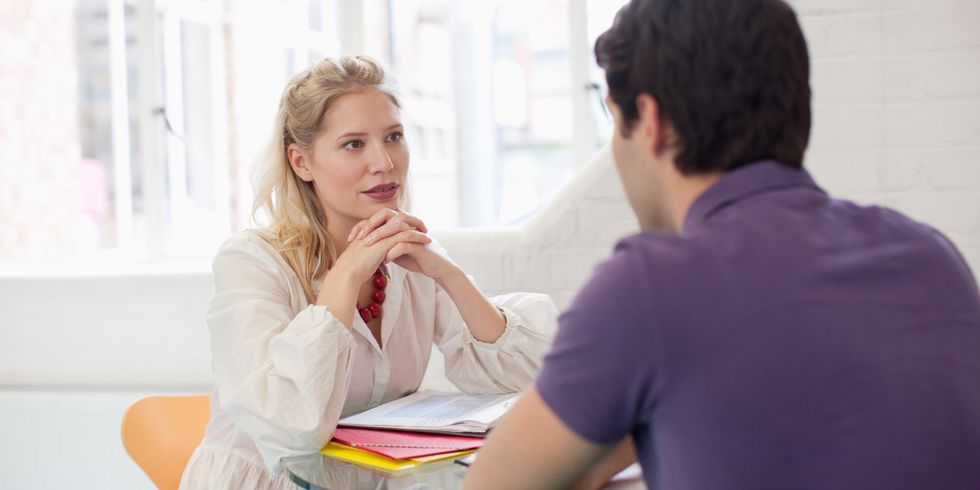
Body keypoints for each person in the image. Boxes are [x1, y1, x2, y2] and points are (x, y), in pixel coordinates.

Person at [466, 0, 980, 489]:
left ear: (653, 123)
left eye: (614, 123)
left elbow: (495, 483)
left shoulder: (651, 285)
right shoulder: (931, 256)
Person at [180, 56, 557, 489]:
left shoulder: (409, 256)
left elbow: (523, 381)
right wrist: (347, 272)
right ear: (301, 162)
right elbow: (290, 425)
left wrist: (448, 274)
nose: (384, 162)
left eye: (393, 136)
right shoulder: (251, 262)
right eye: (354, 144)